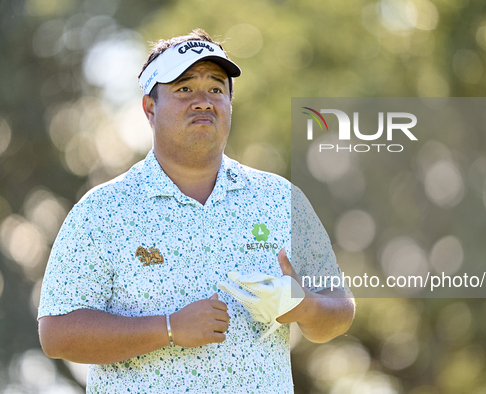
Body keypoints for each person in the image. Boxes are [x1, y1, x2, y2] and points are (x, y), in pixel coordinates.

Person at [37, 28, 355, 393]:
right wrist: (169, 329)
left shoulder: (280, 199)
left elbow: (340, 309)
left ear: (229, 106)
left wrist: (305, 308)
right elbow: (57, 333)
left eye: (216, 89)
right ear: (150, 108)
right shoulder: (102, 211)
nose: (203, 101)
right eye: (185, 88)